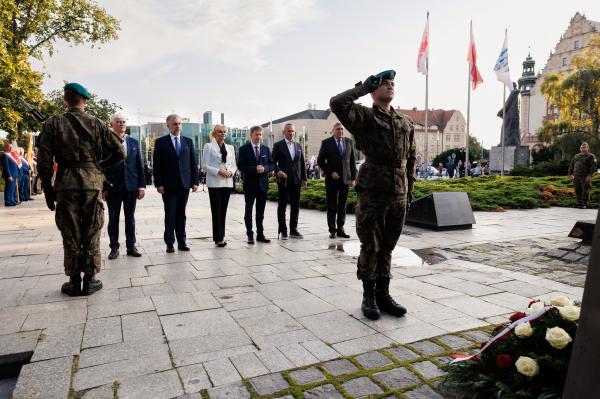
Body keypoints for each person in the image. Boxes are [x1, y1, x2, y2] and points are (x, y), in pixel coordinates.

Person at [330, 70, 416, 320]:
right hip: (373, 190)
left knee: (388, 246)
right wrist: (363, 88)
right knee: (371, 245)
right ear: (373, 90)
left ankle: (383, 294)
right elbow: (337, 103)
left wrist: (409, 189)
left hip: (399, 190)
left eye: (392, 84)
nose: (390, 87)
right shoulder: (364, 116)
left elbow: (410, 158)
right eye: (384, 84)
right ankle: (368, 296)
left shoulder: (405, 121)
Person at [37, 82, 126, 296]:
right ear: (84, 100)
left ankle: (74, 280)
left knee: (70, 231)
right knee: (92, 229)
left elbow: (44, 161)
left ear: (65, 99)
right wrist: (99, 167)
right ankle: (91, 279)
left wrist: (48, 190)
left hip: (65, 185)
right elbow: (120, 152)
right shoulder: (97, 124)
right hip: (91, 185)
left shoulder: (53, 123)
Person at [153, 114, 199, 252]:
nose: (178, 126)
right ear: (168, 125)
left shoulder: (188, 142)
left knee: (181, 214)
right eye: (175, 124)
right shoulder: (161, 142)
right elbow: (157, 165)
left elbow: (193, 163)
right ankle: (169, 243)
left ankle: (182, 242)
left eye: (179, 123)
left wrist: (195, 182)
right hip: (168, 185)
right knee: (170, 213)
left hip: (184, 184)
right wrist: (158, 183)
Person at [103, 113, 146, 259]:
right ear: (111, 124)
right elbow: (101, 166)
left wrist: (141, 186)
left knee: (130, 218)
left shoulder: (133, 142)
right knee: (113, 218)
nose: (121, 124)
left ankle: (131, 246)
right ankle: (114, 247)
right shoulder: (105, 142)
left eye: (123, 122)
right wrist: (103, 188)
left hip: (131, 187)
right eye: (118, 122)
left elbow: (139, 165)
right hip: (112, 187)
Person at [317, 122, 357, 238]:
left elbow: (352, 162)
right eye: (338, 129)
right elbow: (320, 161)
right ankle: (332, 230)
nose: (340, 131)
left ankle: (340, 228)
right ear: (333, 130)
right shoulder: (326, 143)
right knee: (332, 205)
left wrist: (353, 178)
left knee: (342, 205)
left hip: (345, 179)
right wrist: (330, 172)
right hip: (331, 180)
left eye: (342, 129)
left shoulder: (349, 142)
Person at [237, 126, 275, 244]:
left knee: (260, 211)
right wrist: (254, 168)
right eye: (256, 134)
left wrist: (265, 169)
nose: (258, 137)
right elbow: (240, 166)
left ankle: (260, 234)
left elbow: (272, 164)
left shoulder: (266, 149)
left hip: (263, 185)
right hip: (250, 185)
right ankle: (250, 234)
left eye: (260, 134)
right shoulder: (244, 149)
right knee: (248, 210)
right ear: (251, 135)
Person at [202, 124, 237, 247]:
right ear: (215, 133)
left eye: (224, 132)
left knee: (223, 210)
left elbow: (234, 165)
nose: (223, 134)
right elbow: (205, 165)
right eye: (220, 132)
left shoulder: (230, 147)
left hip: (227, 182)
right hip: (215, 182)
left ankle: (220, 236)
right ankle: (219, 237)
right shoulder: (209, 146)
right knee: (216, 210)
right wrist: (219, 171)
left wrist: (231, 172)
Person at [272, 123, 308, 240]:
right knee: (282, 206)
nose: (291, 133)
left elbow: (302, 163)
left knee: (295, 206)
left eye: (292, 131)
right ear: (284, 132)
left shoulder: (298, 145)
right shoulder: (278, 145)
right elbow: (273, 162)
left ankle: (294, 229)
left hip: (297, 180)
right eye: (289, 131)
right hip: (284, 180)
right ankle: (283, 230)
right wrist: (278, 171)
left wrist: (304, 178)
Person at [569, 142, 597, 209]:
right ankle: (579, 203)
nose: (582, 149)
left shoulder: (591, 156)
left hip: (585, 176)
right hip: (576, 176)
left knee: (585, 190)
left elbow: (593, 167)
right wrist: (570, 174)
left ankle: (584, 204)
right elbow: (571, 165)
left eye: (584, 147)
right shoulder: (576, 156)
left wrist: (589, 175)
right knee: (577, 190)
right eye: (581, 147)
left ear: (588, 148)